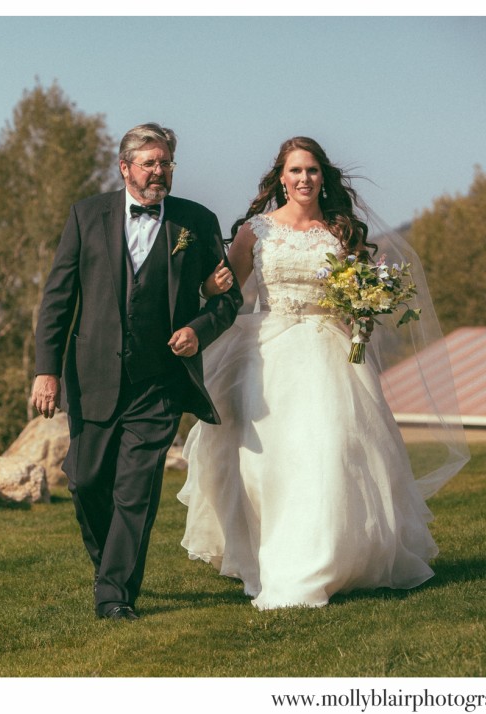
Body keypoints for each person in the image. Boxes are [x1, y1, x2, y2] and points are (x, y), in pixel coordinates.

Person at [179, 136, 468, 610]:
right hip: (267, 353)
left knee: (332, 450)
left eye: (312, 170)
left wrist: (363, 307)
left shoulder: (340, 232)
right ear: (281, 178)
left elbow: (358, 285)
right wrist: (211, 284)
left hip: (328, 350)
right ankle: (270, 561)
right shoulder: (257, 230)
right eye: (295, 171)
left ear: (322, 177)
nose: (304, 179)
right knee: (270, 460)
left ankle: (331, 558)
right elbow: (227, 291)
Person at [32, 123, 242, 621]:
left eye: (166, 162)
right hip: (93, 376)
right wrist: (46, 370)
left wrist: (198, 329)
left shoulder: (196, 220)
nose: (159, 171)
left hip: (161, 381)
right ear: (124, 167)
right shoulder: (86, 215)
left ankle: (115, 595)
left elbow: (228, 297)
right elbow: (58, 299)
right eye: (148, 162)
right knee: (84, 481)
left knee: (136, 490)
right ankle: (111, 566)